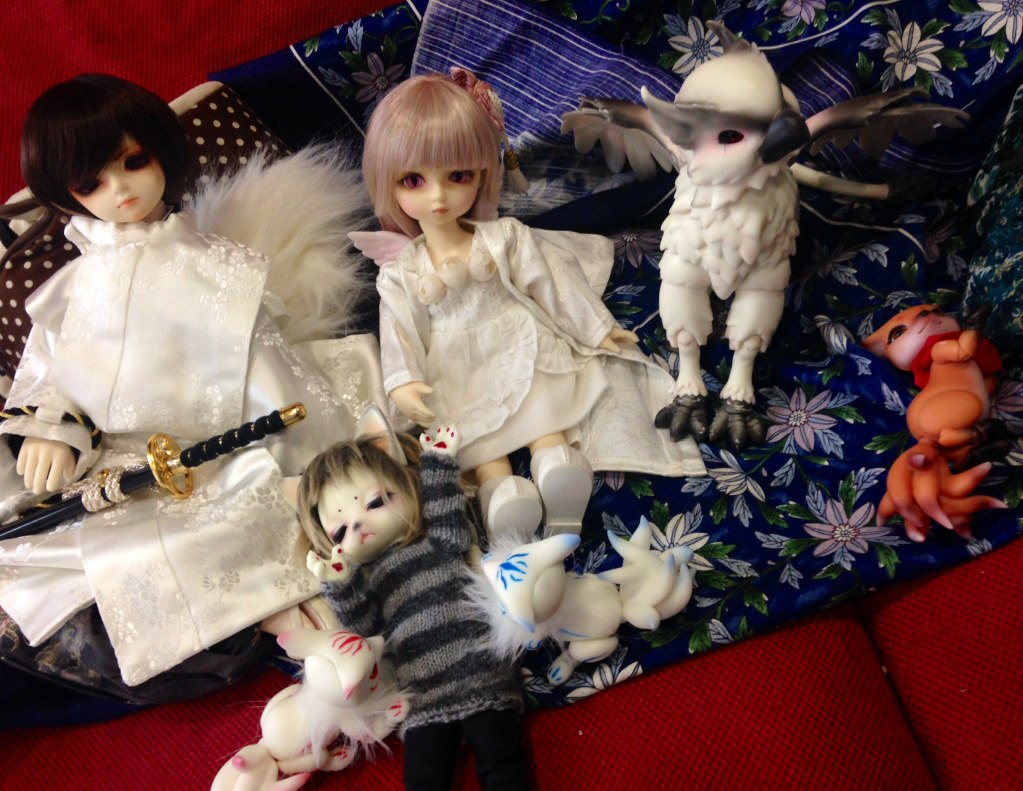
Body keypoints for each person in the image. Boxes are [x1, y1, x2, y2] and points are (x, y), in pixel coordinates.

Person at [0, 74, 360, 699]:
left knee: (232, 524)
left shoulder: (218, 266)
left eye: (133, 162)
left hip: (219, 454)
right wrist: (52, 427)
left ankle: (315, 636)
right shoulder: (74, 286)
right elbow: (50, 363)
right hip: (115, 468)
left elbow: (264, 365)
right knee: (41, 555)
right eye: (90, 184)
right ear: (67, 195)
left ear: (161, 152)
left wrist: (303, 449)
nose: (120, 191)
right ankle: (285, 635)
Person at [362, 73, 701, 541]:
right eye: (414, 180)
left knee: (542, 404)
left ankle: (555, 464)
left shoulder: (504, 237)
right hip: (455, 365)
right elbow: (398, 330)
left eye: (458, 176)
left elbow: (551, 282)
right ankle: (500, 492)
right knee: (478, 438)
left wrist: (595, 328)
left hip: (515, 338)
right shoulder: (401, 273)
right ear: (389, 182)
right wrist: (403, 382)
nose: (437, 196)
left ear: (482, 173)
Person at [301, 413, 530, 790]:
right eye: (340, 531)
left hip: (481, 670)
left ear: (408, 486)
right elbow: (364, 633)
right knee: (423, 779)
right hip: (421, 694)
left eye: (375, 501)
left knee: (503, 764)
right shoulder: (369, 580)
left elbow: (446, 512)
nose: (358, 526)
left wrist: (438, 462)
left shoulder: (439, 542)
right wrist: (340, 585)